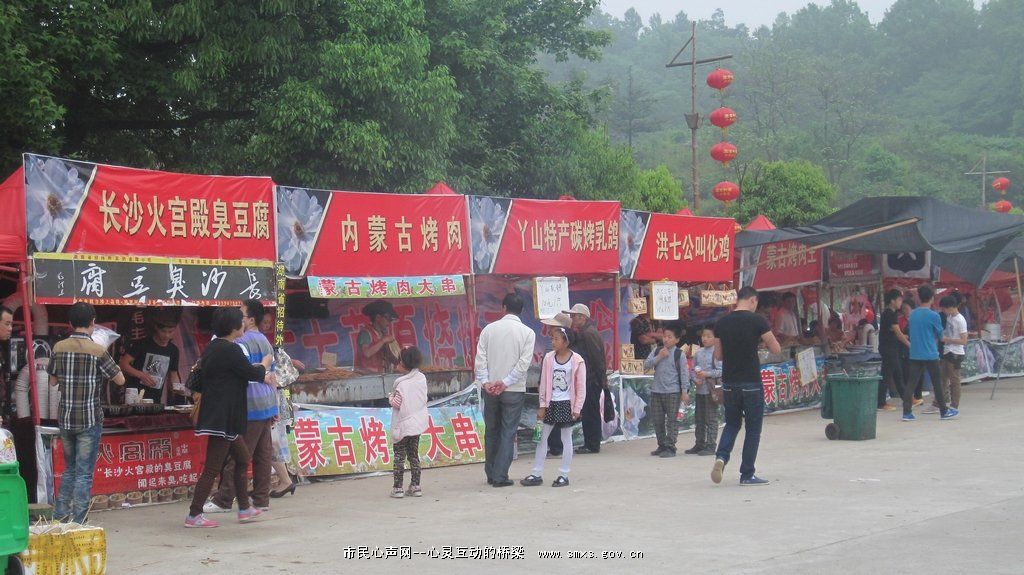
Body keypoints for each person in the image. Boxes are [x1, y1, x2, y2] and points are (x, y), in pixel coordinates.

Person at [185, 307, 268, 528]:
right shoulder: (231, 350)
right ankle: (194, 515)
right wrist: (266, 366)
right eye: (241, 321)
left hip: (223, 417)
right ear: (234, 327)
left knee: (242, 458)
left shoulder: (213, 347)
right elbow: (251, 373)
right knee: (212, 468)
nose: (244, 324)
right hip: (222, 418)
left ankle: (243, 508)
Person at [48, 302, 125, 523]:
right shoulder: (98, 350)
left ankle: (60, 516)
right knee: (83, 473)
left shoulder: (59, 348)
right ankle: (79, 521)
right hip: (90, 419)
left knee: (70, 469)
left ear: (70, 324)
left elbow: (52, 382)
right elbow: (120, 379)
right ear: (93, 322)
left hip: (66, 418)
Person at [203, 300, 277, 514]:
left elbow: (247, 372)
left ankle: (224, 499)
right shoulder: (264, 340)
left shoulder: (239, 342)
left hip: (250, 403)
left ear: (250, 320)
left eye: (241, 315)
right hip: (267, 402)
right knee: (263, 454)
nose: (238, 318)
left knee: (239, 456)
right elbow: (269, 373)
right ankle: (261, 498)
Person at [711, 286, 781, 486]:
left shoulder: (721, 323)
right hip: (751, 381)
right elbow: (775, 348)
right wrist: (757, 343)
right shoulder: (758, 320)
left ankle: (721, 457)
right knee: (753, 428)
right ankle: (747, 474)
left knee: (732, 423)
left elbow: (718, 356)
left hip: (729, 382)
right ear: (753, 300)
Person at [475, 293, 535, 488]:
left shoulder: (488, 330)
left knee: (491, 430)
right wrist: (507, 382)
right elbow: (523, 364)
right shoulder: (528, 333)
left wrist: (486, 382)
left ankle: (491, 473)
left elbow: (480, 359)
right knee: (508, 432)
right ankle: (500, 475)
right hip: (514, 390)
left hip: (490, 388)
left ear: (503, 308)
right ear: (522, 311)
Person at [520, 325, 585, 488]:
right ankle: (536, 473)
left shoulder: (577, 360)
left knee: (566, 438)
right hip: (550, 403)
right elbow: (543, 384)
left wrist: (577, 408)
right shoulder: (549, 358)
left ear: (566, 342)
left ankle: (564, 474)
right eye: (552, 338)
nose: (553, 342)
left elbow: (581, 386)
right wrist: (542, 404)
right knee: (542, 438)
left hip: (566, 404)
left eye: (556, 339)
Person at [549, 303, 606, 455]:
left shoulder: (588, 334)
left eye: (574, 316)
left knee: (590, 412)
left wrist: (598, 379)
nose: (572, 319)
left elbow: (596, 359)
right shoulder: (584, 332)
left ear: (582, 317)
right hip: (588, 378)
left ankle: (592, 444)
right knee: (588, 412)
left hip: (591, 379)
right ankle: (591, 443)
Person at [903, 285, 958, 421]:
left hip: (915, 353)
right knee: (937, 383)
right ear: (932, 298)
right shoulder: (934, 315)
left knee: (911, 383)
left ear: (919, 298)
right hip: (930, 353)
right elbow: (940, 336)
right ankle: (944, 411)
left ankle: (907, 412)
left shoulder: (913, 314)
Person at [644, 323, 689, 458]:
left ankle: (670, 446)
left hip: (673, 392)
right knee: (657, 420)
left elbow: (684, 373)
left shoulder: (679, 354)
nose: (666, 339)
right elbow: (646, 365)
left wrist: (684, 392)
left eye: (670, 337)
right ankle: (661, 445)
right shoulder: (657, 350)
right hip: (656, 391)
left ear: (677, 339)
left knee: (672, 421)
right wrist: (659, 357)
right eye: (664, 336)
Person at [389, 346, 428, 498]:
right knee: (414, 455)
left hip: (403, 424)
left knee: (399, 456)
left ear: (403, 363)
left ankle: (398, 488)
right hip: (417, 423)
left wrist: (390, 398)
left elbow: (397, 403)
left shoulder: (401, 384)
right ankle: (416, 486)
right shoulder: (421, 378)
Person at [119, 314, 183, 404]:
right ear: (156, 328)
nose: (166, 335)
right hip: (135, 396)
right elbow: (123, 364)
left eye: (170, 332)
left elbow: (173, 375)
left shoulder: (173, 350)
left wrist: (178, 388)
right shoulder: (143, 344)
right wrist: (141, 375)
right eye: (163, 331)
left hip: (155, 398)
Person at [687, 326, 722, 456]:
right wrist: (695, 379)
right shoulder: (699, 353)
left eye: (708, 336)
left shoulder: (717, 352)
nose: (705, 339)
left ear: (715, 338)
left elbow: (721, 371)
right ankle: (699, 443)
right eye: (703, 336)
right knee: (699, 418)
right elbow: (692, 369)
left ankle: (711, 444)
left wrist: (706, 374)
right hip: (700, 389)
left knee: (711, 418)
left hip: (711, 390)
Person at [878, 289, 909, 412]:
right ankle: (880, 402)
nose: (901, 303)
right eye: (899, 300)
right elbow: (898, 333)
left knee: (897, 374)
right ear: (892, 301)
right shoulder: (889, 314)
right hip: (888, 349)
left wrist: (904, 337)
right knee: (886, 376)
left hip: (891, 348)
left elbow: (896, 333)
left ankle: (907, 398)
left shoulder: (891, 313)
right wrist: (908, 344)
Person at [936, 295, 967, 412]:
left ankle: (954, 405)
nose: (943, 311)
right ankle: (939, 402)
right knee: (942, 378)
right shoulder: (949, 317)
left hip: (956, 353)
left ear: (950, 307)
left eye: (944, 308)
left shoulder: (960, 320)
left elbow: (964, 340)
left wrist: (948, 340)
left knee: (954, 380)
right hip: (947, 351)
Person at [356, 300, 400, 373]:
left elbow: (389, 356)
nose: (389, 322)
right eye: (388, 318)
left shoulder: (383, 334)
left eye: (391, 319)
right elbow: (367, 353)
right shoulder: (365, 333)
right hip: (367, 376)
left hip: (381, 374)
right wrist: (383, 341)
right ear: (378, 317)